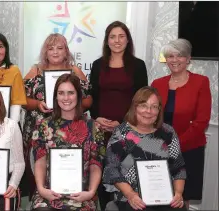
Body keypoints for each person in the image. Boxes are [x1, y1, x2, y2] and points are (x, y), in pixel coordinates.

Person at [21, 33, 92, 199]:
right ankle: (39, 198)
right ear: (45, 52)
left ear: (66, 51)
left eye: (59, 48)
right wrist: (37, 104)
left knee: (69, 166)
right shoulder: (35, 70)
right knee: (38, 168)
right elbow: (21, 98)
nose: (55, 52)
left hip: (71, 130)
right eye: (50, 48)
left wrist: (71, 105)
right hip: (39, 130)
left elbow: (89, 100)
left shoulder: (75, 71)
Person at [88, 20, 148, 210]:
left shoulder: (138, 65)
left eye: (121, 36)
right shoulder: (98, 65)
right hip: (100, 130)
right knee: (102, 171)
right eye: (112, 37)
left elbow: (141, 99)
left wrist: (122, 123)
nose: (117, 40)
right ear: (106, 41)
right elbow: (93, 96)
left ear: (128, 40)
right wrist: (97, 117)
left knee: (125, 173)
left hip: (128, 129)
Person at [103, 86, 187, 211]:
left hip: (164, 196)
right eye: (143, 105)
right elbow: (111, 170)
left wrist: (178, 193)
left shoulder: (167, 132)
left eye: (154, 107)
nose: (148, 111)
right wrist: (130, 194)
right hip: (131, 197)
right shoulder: (122, 133)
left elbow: (178, 167)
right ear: (135, 107)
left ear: (159, 110)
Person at [151, 38, 212, 208]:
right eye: (170, 56)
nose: (175, 60)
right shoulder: (157, 84)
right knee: (158, 195)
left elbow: (201, 122)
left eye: (180, 56)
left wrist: (175, 145)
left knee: (182, 199)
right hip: (159, 149)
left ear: (188, 59)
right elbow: (150, 116)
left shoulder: (201, 82)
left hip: (189, 150)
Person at [30, 74, 105, 211]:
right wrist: (41, 189)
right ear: (55, 96)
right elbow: (39, 161)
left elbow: (96, 164)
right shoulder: (43, 126)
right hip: (49, 193)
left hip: (82, 194)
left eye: (71, 93)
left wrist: (91, 192)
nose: (65, 98)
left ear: (79, 95)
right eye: (61, 93)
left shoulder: (94, 127)